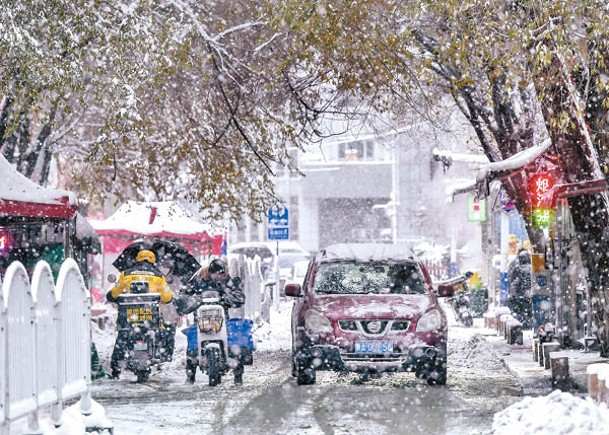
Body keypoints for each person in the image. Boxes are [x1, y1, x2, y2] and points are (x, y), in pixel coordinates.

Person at [106, 249, 176, 379]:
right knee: (165, 330)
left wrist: (112, 295)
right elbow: (167, 297)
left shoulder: (125, 274)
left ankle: (116, 367)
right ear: (153, 260)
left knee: (122, 336)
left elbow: (115, 293)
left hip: (129, 318)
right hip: (150, 318)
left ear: (137, 259)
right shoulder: (159, 276)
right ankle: (162, 356)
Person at [177, 258, 246, 383]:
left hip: (222, 319)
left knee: (235, 340)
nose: (218, 277)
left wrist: (228, 298)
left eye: (221, 274)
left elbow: (238, 294)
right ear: (210, 271)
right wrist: (189, 300)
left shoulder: (227, 280)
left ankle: (238, 375)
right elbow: (184, 293)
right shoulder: (198, 279)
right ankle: (190, 375)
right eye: (216, 274)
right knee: (193, 340)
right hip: (201, 320)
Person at [507, 249, 533, 329]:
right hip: (530, 295)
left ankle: (521, 325)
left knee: (519, 312)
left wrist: (513, 294)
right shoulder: (532, 268)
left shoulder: (517, 269)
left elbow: (513, 283)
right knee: (529, 312)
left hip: (520, 296)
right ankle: (528, 324)